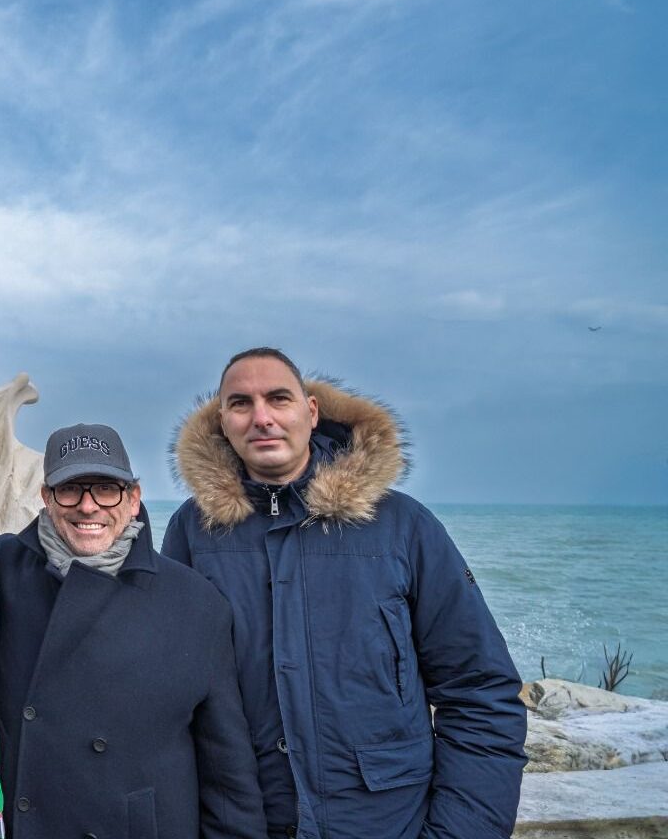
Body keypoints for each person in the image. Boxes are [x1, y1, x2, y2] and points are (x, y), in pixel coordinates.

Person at [163, 347, 527, 839]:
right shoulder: (193, 531)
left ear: (310, 412)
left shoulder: (402, 525)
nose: (263, 418)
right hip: (246, 823)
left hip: (386, 823)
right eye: (241, 404)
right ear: (223, 421)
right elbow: (173, 697)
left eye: (279, 398)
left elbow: (480, 692)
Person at [0, 422, 265, 838]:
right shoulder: (3, 574)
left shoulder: (193, 602)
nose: (88, 506)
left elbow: (227, 771)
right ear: (46, 498)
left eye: (106, 489)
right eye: (70, 489)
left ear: (134, 499)